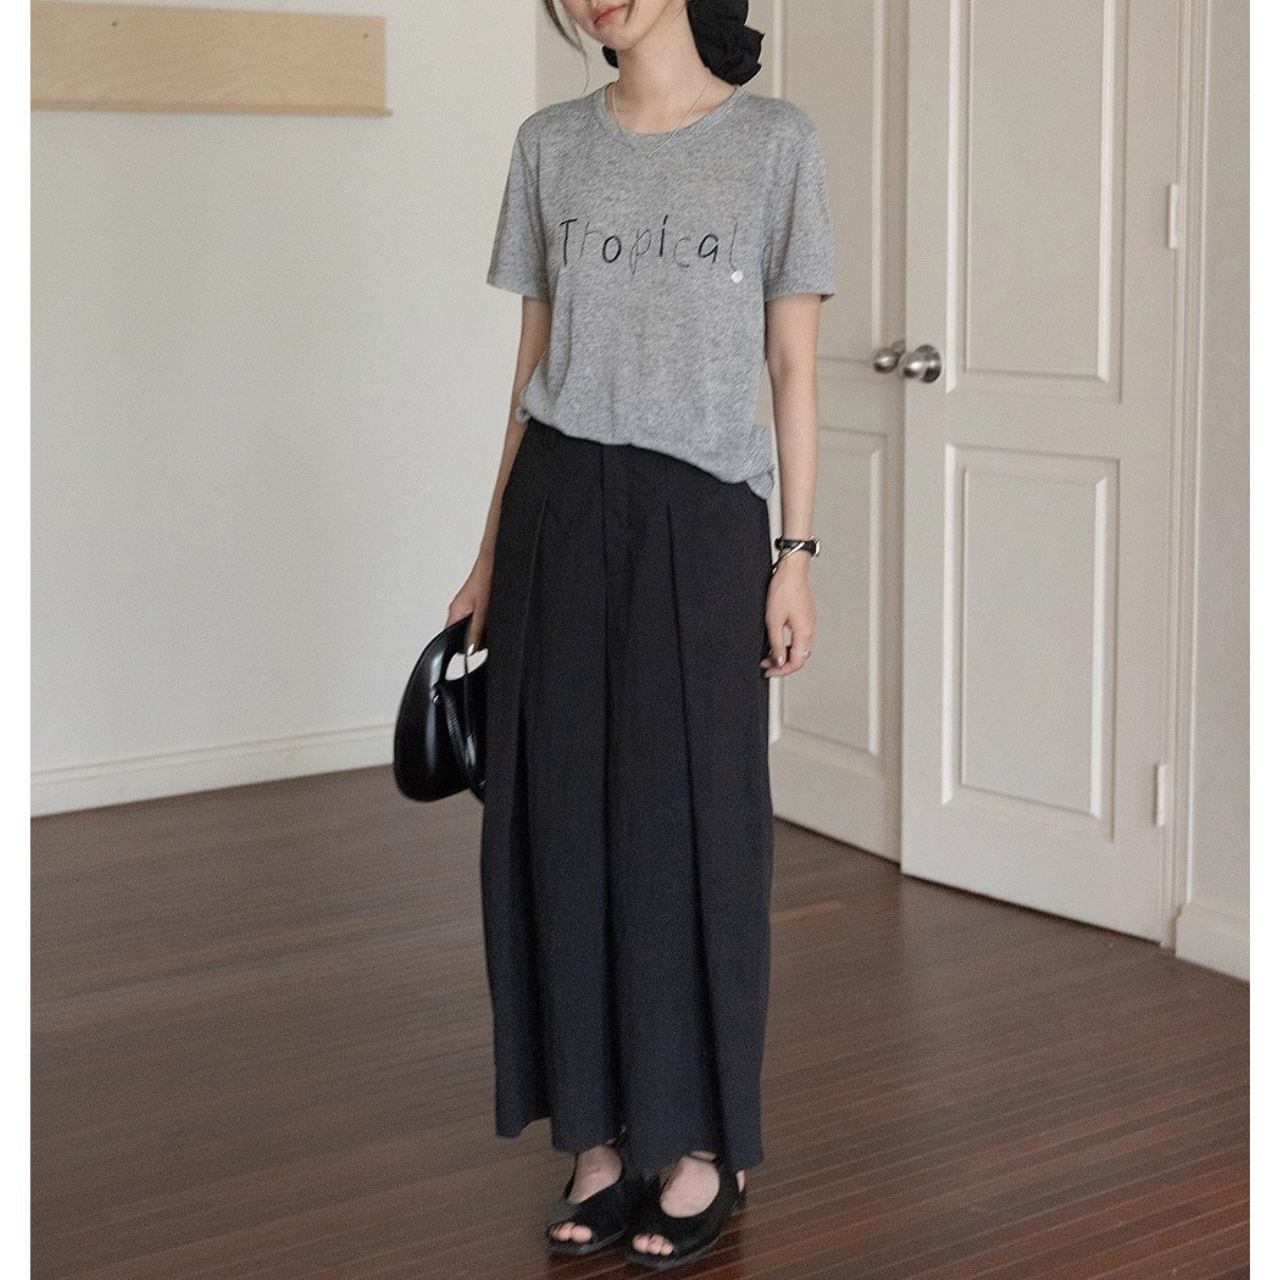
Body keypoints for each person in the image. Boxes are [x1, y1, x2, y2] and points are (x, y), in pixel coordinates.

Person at [446, 0, 836, 1267]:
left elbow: (792, 366)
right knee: (559, 825)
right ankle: (600, 1135)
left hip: (701, 517)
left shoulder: (775, 142)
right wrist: (488, 554)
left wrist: (793, 554)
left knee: (699, 830)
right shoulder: (548, 144)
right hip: (560, 504)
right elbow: (531, 366)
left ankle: (704, 1140)